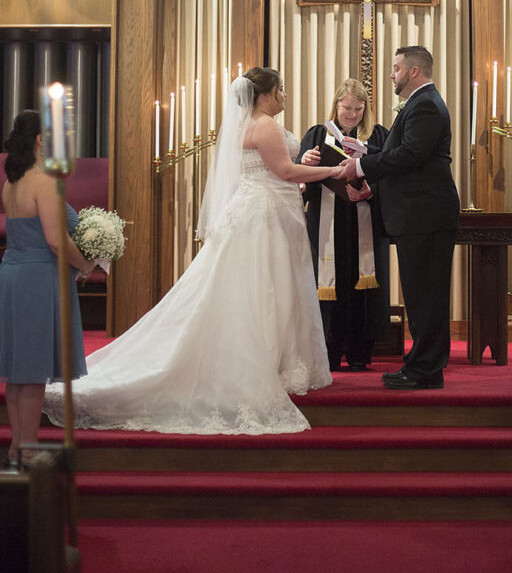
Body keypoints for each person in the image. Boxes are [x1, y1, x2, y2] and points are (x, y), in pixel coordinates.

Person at [43, 69, 344, 436]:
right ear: (264, 96)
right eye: (279, 89)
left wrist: (307, 166)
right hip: (266, 216)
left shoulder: (244, 126)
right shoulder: (265, 125)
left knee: (254, 288)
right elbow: (281, 171)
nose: (284, 95)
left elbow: (268, 171)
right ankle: (268, 363)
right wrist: (335, 170)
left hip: (258, 209)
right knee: (269, 288)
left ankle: (266, 360)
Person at [338, 46, 460, 390]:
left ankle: (425, 370)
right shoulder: (421, 103)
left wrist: (360, 166)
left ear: (414, 72)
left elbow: (411, 155)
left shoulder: (424, 105)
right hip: (417, 217)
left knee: (427, 298)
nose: (392, 75)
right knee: (421, 295)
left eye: (396, 69)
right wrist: (365, 151)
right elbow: (401, 152)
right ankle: (421, 367)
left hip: (425, 216)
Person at [0, 110, 96, 468]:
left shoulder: (13, 182)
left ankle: (17, 446)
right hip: (38, 279)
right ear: (41, 139)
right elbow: (57, 242)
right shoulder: (44, 182)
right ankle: (29, 449)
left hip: (12, 275)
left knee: (17, 371)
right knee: (34, 369)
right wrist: (85, 264)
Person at [299, 78, 389, 371]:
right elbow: (298, 178)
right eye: (346, 107)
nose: (352, 114)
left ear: (366, 109)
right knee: (327, 284)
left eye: (358, 109)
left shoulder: (378, 137)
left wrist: (370, 189)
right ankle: (328, 350)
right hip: (327, 222)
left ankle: (360, 352)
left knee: (361, 285)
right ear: (336, 105)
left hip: (363, 219)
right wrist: (307, 162)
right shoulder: (317, 135)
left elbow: (391, 174)